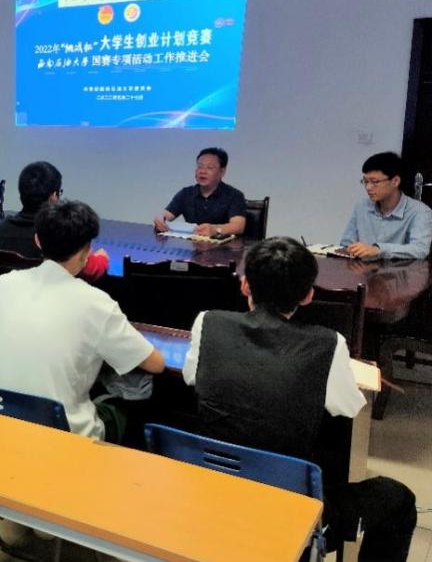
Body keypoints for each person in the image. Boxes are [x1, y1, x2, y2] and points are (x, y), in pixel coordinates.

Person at [183, 237, 416, 561]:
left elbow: (191, 376)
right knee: (398, 499)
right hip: (286, 510)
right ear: (308, 295)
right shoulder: (328, 344)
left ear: (245, 284)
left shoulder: (207, 322)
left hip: (211, 489)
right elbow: (348, 406)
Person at [0, 201, 164, 442]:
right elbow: (156, 364)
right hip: (63, 436)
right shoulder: (96, 303)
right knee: (134, 394)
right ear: (87, 250)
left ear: (37, 240)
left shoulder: (3, 284)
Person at [0, 161, 108, 281]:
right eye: (59, 192)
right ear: (53, 197)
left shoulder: (1, 230)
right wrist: (102, 258)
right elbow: (90, 269)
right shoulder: (59, 234)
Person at [339, 151, 432, 260]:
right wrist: (351, 249)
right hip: (362, 269)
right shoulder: (361, 207)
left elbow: (420, 250)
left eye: (375, 182)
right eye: (365, 181)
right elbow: (346, 243)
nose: (368, 187)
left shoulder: (419, 212)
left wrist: (378, 250)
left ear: (395, 181)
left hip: (399, 270)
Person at [154, 147, 246, 237]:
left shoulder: (234, 195)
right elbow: (166, 215)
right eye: (200, 166)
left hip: (223, 245)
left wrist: (215, 230)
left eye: (209, 167)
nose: (202, 171)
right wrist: (160, 219)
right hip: (192, 245)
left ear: (222, 172)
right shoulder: (186, 193)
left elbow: (238, 226)